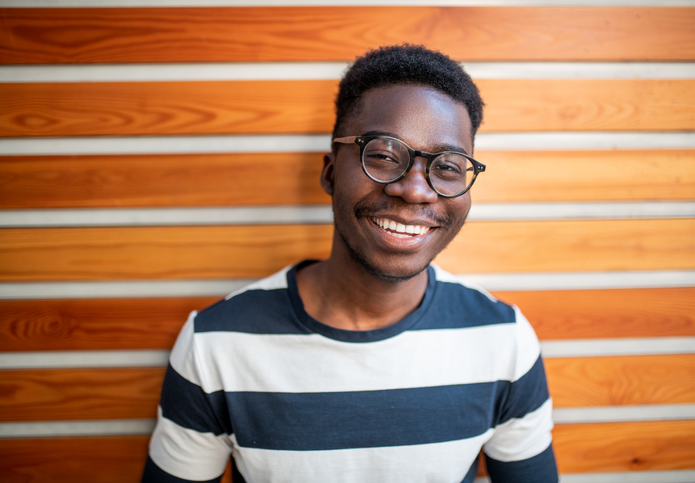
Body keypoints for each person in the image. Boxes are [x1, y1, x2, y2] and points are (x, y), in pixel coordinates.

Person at [142, 44, 558, 483]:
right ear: (329, 172)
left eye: (449, 167)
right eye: (382, 155)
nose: (416, 191)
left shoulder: (503, 340)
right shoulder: (217, 345)